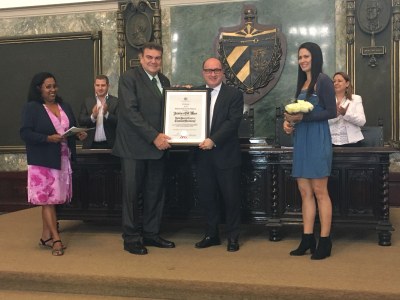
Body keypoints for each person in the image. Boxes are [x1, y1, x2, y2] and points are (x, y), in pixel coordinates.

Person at [112, 42, 174, 255]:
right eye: (149, 57)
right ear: (141, 58)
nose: (153, 61)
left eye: (157, 58)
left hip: (158, 148)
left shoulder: (164, 81)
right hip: (134, 148)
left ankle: (151, 233)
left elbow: (169, 110)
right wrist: (154, 136)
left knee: (154, 193)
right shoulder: (129, 78)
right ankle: (131, 238)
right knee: (131, 196)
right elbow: (130, 112)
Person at [20, 72, 87, 256]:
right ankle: (56, 239)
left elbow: (71, 127)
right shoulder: (32, 108)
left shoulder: (64, 105)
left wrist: (78, 134)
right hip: (42, 162)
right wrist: (47, 138)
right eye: (48, 87)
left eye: (54, 86)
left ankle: (45, 236)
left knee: (52, 200)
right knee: (47, 200)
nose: (53, 90)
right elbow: (25, 133)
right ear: (38, 89)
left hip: (62, 159)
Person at [283, 42, 336, 260]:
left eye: (307, 56)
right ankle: (307, 239)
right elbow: (297, 112)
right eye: (300, 57)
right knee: (305, 191)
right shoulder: (302, 82)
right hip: (302, 139)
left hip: (317, 138)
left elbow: (331, 111)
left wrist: (303, 118)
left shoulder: (323, 80)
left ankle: (325, 240)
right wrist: (289, 123)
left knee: (319, 191)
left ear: (315, 57)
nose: (303, 60)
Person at [194, 57, 244, 252]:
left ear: (223, 72)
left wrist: (213, 140)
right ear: (203, 72)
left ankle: (233, 236)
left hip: (226, 155)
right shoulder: (195, 93)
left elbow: (233, 122)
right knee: (207, 197)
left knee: (231, 198)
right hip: (202, 156)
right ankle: (211, 234)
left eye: (216, 70)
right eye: (208, 70)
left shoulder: (234, 94)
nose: (212, 74)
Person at [78, 75, 118, 149]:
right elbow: (81, 121)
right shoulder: (87, 101)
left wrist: (106, 114)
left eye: (103, 85)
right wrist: (93, 116)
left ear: (108, 86)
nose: (100, 88)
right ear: (94, 86)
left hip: (111, 146)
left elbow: (120, 122)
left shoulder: (116, 101)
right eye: (97, 85)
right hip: (90, 145)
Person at [328, 71, 366, 146]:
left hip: (352, 143)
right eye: (334, 81)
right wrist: (335, 115)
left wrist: (345, 114)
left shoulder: (356, 99)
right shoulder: (328, 100)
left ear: (347, 84)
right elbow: (323, 122)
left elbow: (362, 121)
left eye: (339, 81)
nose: (336, 83)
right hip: (330, 142)